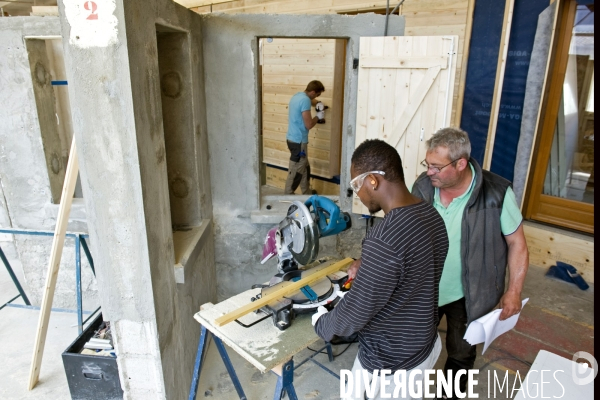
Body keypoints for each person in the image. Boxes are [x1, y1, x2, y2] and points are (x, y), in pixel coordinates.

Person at [313, 139, 449, 399]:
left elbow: (355, 313)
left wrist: (323, 324)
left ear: (372, 180)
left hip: (391, 363)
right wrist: (372, 264)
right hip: (424, 343)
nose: (358, 194)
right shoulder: (431, 215)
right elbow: (415, 266)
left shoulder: (385, 238)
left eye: (356, 185)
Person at [410, 127, 530, 399]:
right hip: (424, 288)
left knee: (461, 355)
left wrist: (514, 291)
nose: (430, 172)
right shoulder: (422, 185)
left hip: (469, 293)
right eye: (427, 165)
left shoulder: (497, 193)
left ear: (460, 164)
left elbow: (518, 244)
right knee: (413, 346)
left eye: (436, 167)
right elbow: (402, 227)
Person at [284, 80, 325, 194]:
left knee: (304, 166)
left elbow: (309, 101)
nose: (317, 97)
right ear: (312, 92)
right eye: (317, 95)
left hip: (292, 138)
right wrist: (318, 116)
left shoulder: (298, 96)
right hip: (299, 141)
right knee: (297, 169)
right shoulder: (305, 100)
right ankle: (288, 193)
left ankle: (306, 192)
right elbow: (309, 124)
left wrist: (318, 102)